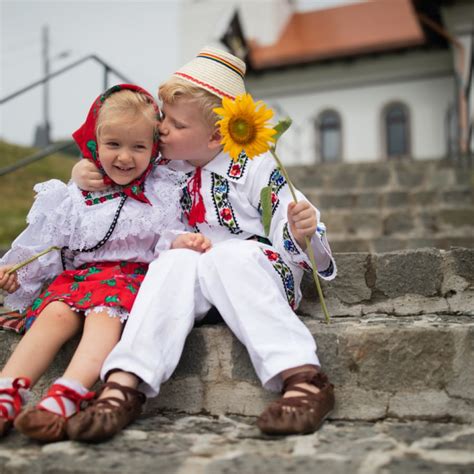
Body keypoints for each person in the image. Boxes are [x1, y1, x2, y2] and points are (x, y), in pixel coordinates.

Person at [67, 47, 337, 441]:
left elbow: (289, 219)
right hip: (193, 284)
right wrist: (81, 171)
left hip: (253, 276)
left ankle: (302, 378)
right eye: (163, 117)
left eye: (175, 124)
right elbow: (120, 173)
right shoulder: (164, 168)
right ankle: (125, 383)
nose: (161, 129)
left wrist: (302, 231)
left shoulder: (255, 165)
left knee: (232, 256)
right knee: (171, 262)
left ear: (215, 135)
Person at [0, 84, 210, 443]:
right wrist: (18, 271)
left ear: (154, 149)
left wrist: (180, 241)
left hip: (127, 282)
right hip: (78, 279)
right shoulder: (78, 190)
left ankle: (66, 395)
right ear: (94, 144)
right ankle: (7, 392)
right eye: (114, 145)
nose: (125, 157)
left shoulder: (163, 189)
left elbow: (165, 236)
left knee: (103, 317)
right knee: (55, 313)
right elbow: (52, 240)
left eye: (138, 147)